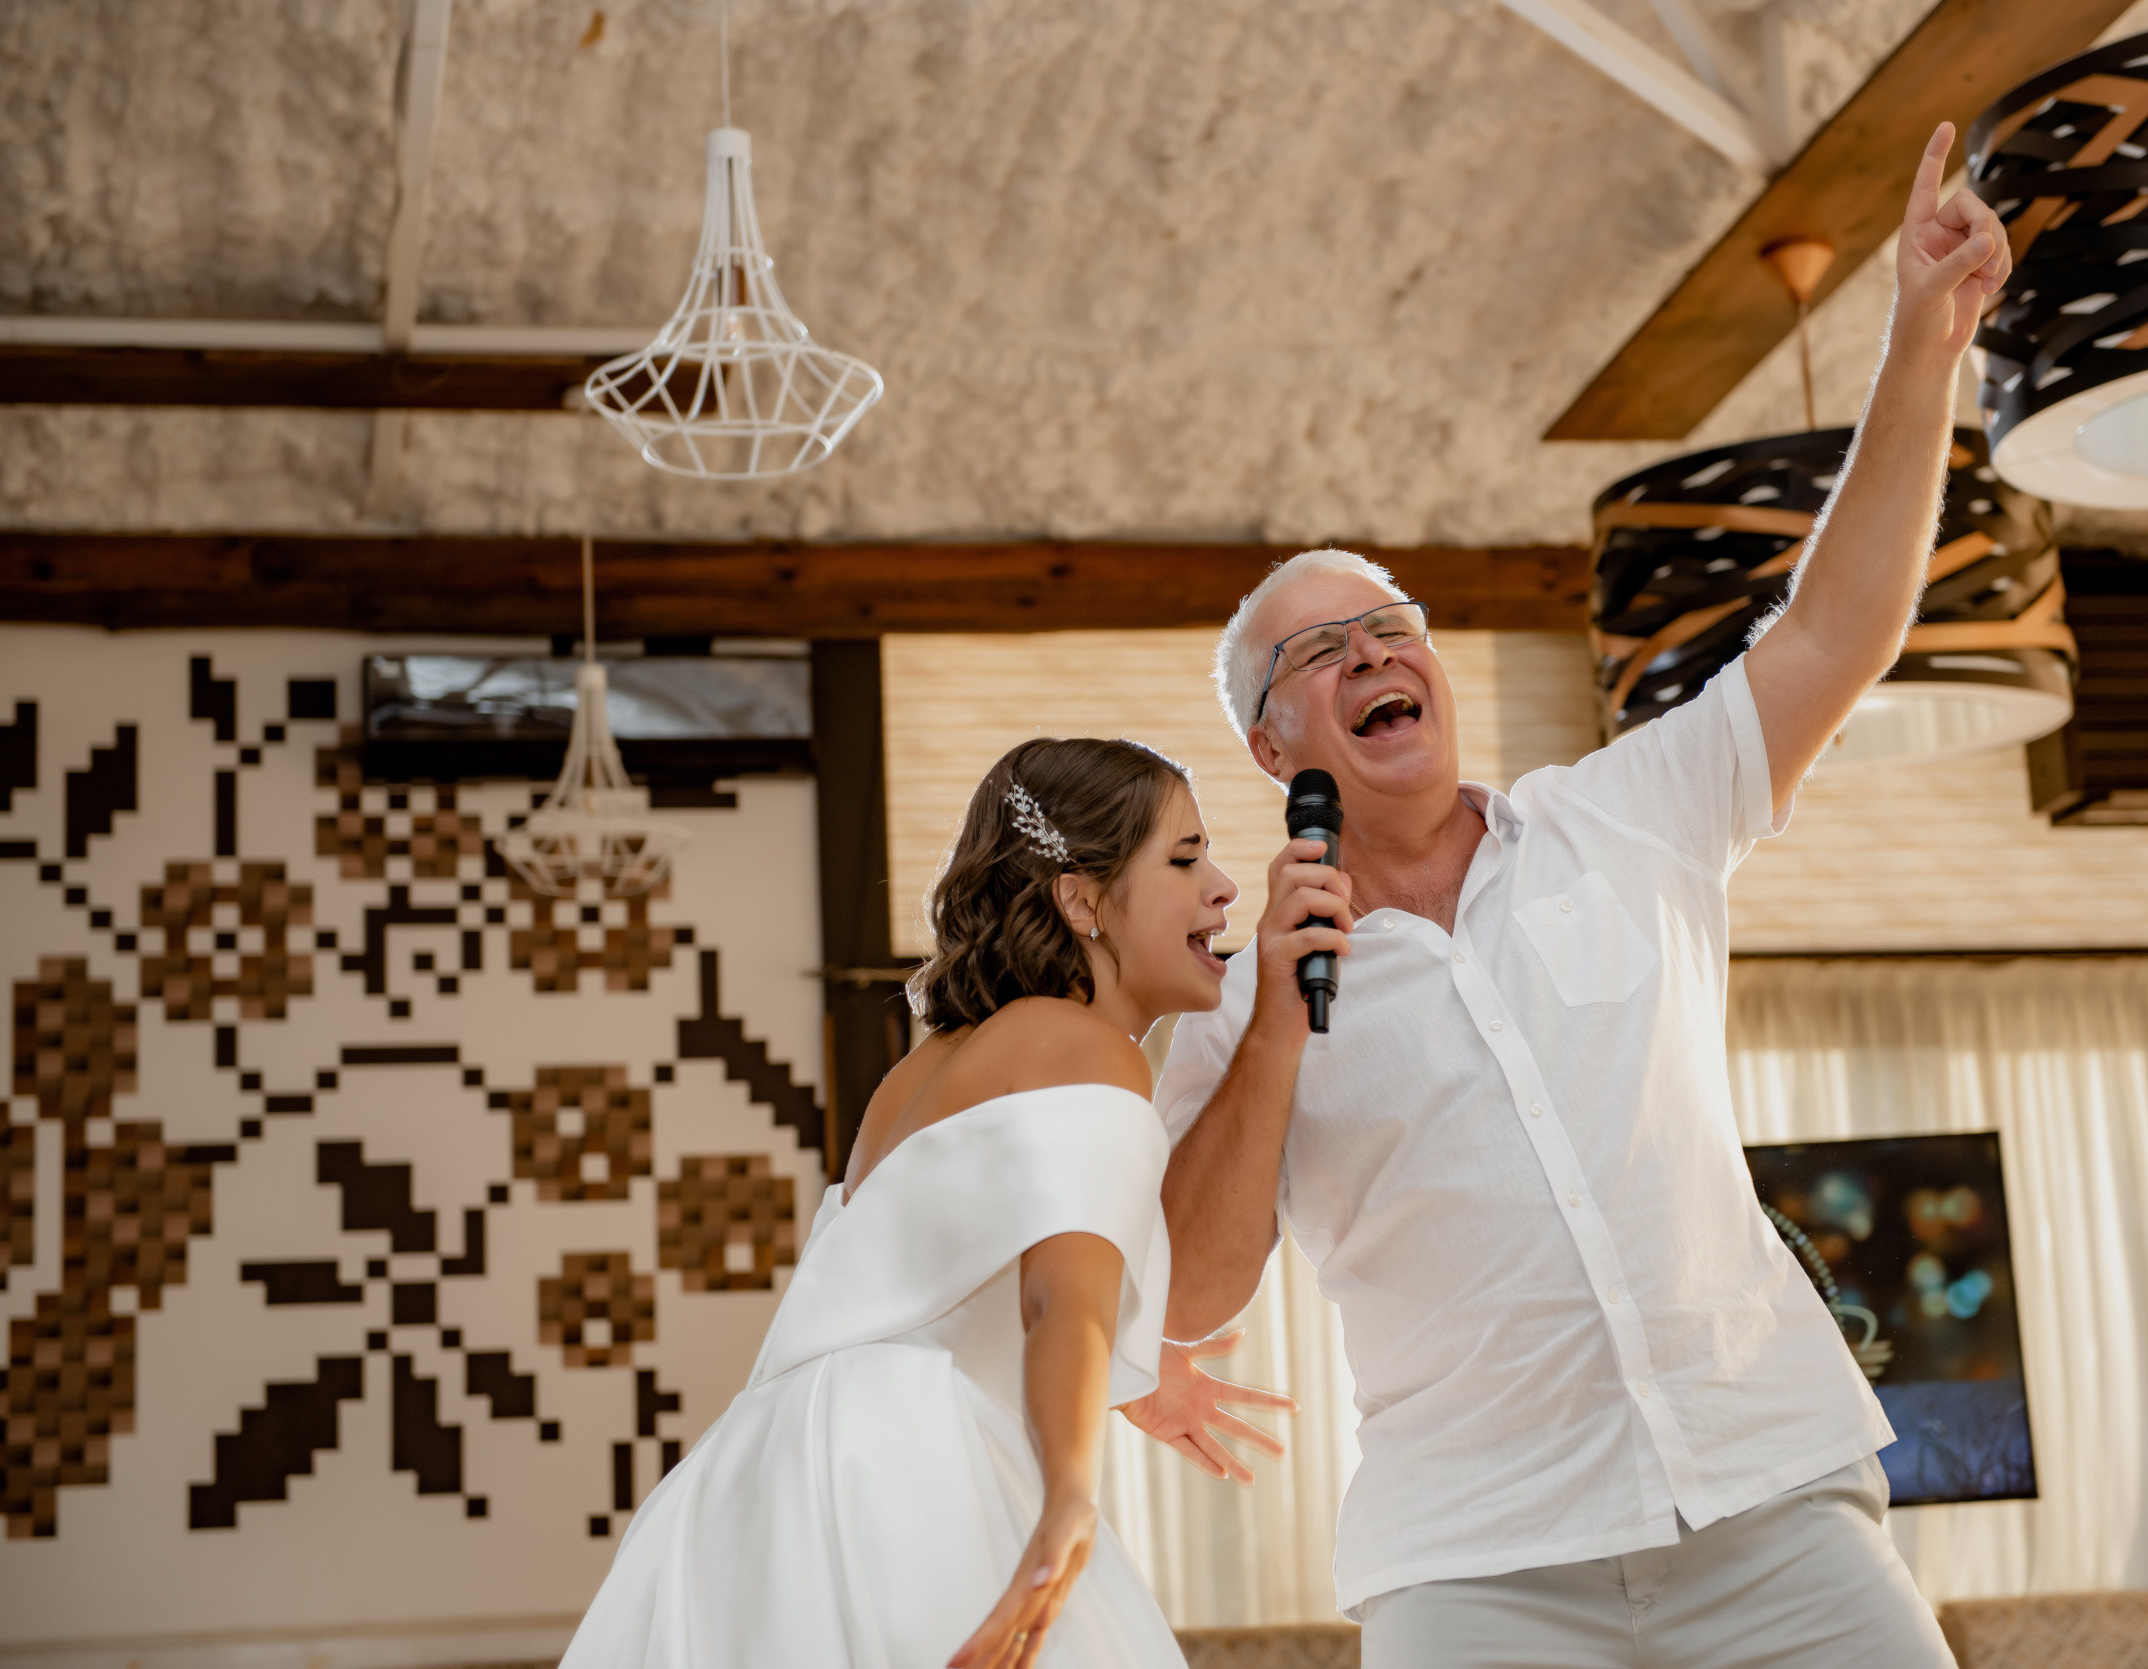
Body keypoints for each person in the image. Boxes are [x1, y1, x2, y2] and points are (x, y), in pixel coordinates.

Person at [1155, 123, 2009, 1668]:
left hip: (1770, 1504)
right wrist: (1277, 1024)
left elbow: (1835, 635)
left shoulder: (1630, 818)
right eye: (1320, 654)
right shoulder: (1230, 986)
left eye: (1392, 626)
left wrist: (1917, 349)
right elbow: (1193, 1290)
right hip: (1477, 1571)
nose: (1374, 657)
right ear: (1272, 742)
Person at [560, 737, 1291, 1669]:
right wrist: (1069, 1494)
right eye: (1185, 858)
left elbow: (926, 1292)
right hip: (901, 1468)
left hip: (762, 1473)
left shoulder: (928, 1064)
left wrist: (1118, 1371)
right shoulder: (1082, 1043)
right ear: (1081, 901)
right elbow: (1058, 1295)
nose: (1224, 887)